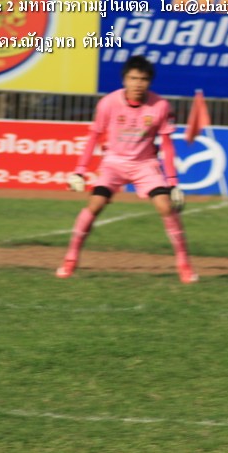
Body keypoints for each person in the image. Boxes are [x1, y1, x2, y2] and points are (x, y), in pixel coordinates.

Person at [56, 55, 198, 284]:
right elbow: (94, 136)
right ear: (124, 80)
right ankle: (70, 258)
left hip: (145, 164)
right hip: (114, 162)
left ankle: (184, 264)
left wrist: (173, 183)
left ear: (149, 81)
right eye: (133, 78)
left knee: (166, 206)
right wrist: (79, 170)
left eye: (143, 79)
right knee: (95, 204)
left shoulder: (160, 106)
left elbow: (167, 145)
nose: (138, 84)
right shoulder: (108, 103)